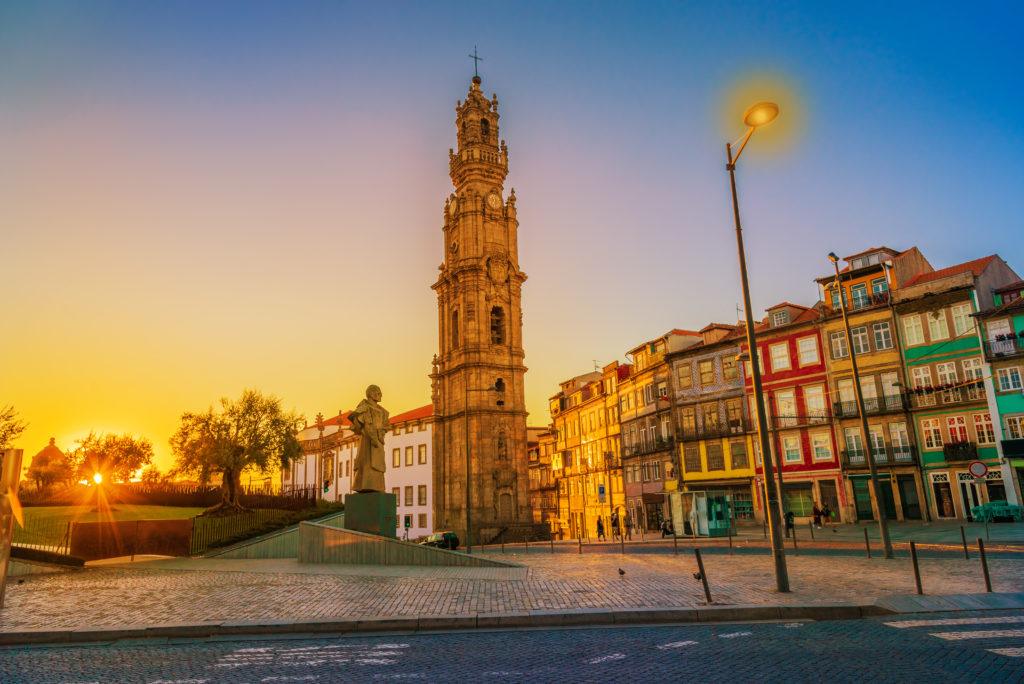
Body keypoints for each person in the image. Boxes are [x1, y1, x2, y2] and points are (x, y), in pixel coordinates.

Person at [350, 385, 390, 492]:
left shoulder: (383, 412)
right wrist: (370, 434)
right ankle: (365, 485)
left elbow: (386, 426)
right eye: (378, 393)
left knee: (378, 465)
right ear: (371, 394)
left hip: (379, 443)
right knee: (367, 464)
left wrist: (380, 433)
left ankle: (377, 486)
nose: (381, 395)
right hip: (366, 443)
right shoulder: (363, 408)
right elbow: (357, 426)